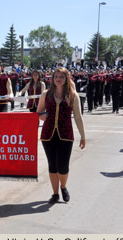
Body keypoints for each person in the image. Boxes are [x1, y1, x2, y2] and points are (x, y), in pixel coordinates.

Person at [37, 67, 86, 204]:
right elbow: (38, 113)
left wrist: (83, 136)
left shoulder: (72, 95)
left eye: (61, 77)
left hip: (66, 134)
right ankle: (55, 193)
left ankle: (63, 186)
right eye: (56, 76)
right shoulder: (46, 94)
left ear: (67, 78)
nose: (58, 79)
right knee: (52, 165)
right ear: (52, 79)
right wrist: (42, 116)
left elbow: (78, 116)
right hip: (48, 134)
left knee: (62, 166)